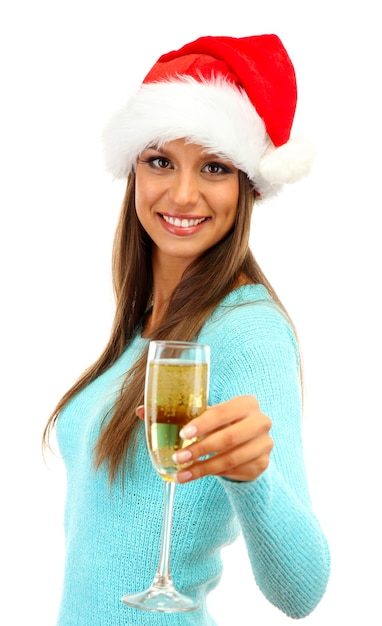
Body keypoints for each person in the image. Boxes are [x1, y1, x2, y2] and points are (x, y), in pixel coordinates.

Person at [43, 34, 331, 625]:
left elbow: (303, 589)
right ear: (134, 173)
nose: (181, 194)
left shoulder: (247, 329)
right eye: (159, 161)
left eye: (215, 167)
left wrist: (255, 475)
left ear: (247, 187)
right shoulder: (146, 322)